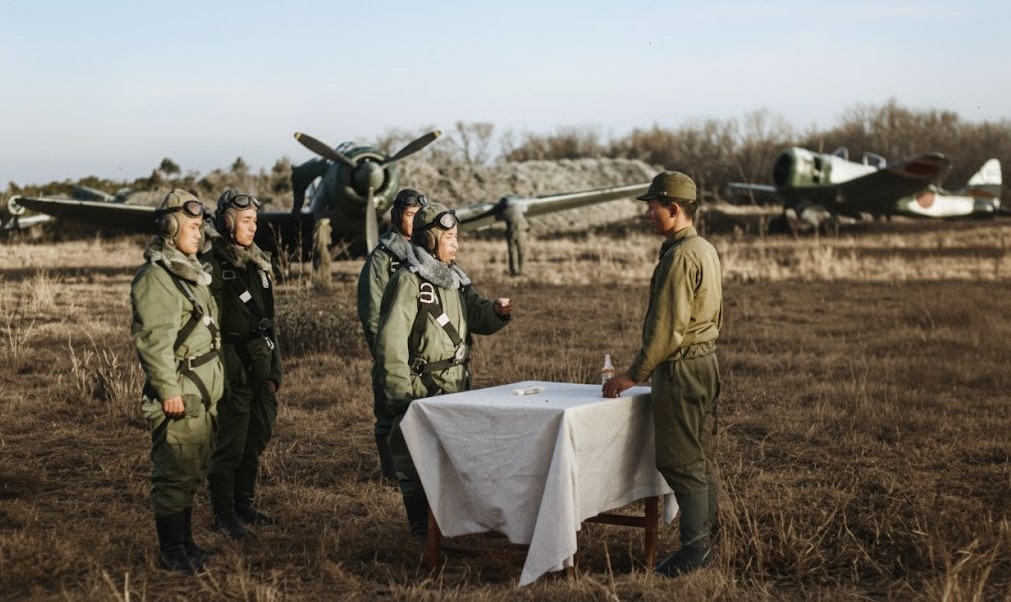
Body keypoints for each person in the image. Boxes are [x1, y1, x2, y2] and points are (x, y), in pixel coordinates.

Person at [602, 171, 723, 578]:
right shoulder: (701, 248)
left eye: (653, 207)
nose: (648, 214)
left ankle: (695, 551)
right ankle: (706, 540)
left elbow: (668, 328)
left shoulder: (681, 256)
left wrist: (632, 375)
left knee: (679, 460)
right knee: (693, 456)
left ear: (674, 209)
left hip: (683, 368)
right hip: (701, 363)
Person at [375, 202, 514, 541]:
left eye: (457, 237)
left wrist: (496, 311)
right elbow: (390, 345)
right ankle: (422, 530)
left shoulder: (456, 279)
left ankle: (449, 525)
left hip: (457, 386)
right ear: (431, 238)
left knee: (453, 459)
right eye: (450, 237)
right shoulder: (407, 282)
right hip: (422, 389)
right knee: (415, 463)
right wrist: (399, 398)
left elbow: (478, 315)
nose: (456, 244)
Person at [131, 189, 223, 573]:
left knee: (191, 470)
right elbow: (154, 343)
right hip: (181, 392)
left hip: (200, 392)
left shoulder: (189, 272)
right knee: (173, 474)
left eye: (201, 227)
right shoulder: (157, 278)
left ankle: (186, 543)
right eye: (191, 226)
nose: (198, 233)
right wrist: (169, 392)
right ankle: (171, 553)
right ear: (170, 226)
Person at [202, 189, 283, 540]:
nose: (252, 228)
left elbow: (270, 320)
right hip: (232, 361)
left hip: (262, 360)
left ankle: (243, 503)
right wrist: (221, 369)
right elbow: (207, 323)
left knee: (256, 435)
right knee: (230, 442)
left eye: (255, 221)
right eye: (245, 221)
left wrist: (275, 368)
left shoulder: (260, 263)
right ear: (226, 222)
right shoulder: (213, 264)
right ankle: (223, 514)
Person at [356, 189, 428, 480]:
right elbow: (372, 313)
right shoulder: (381, 260)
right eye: (410, 216)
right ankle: (391, 475)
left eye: (419, 216)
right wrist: (387, 355)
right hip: (394, 352)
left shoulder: (426, 256)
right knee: (389, 415)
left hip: (423, 354)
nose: (415, 222)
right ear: (398, 216)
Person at [499, 201, 529, 277]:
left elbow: (498, 217)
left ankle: (513, 271)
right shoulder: (518, 207)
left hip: (511, 232)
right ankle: (521, 270)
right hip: (521, 231)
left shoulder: (504, 211)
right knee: (521, 252)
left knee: (512, 252)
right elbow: (526, 208)